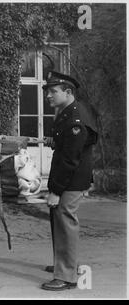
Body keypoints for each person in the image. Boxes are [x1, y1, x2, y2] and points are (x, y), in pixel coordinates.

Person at [41, 71, 98, 291]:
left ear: (68, 92)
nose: (48, 96)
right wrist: (53, 140)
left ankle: (67, 276)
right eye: (47, 91)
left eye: (53, 91)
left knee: (65, 220)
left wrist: (55, 190)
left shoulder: (76, 118)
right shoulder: (68, 112)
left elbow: (70, 158)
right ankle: (63, 264)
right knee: (59, 220)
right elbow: (68, 144)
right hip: (69, 175)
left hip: (71, 179)